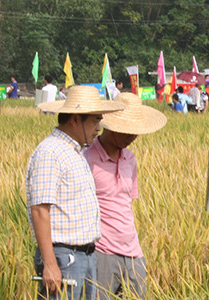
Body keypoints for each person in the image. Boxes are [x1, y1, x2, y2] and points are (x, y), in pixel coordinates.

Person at [27, 86, 126, 299]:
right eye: (94, 121)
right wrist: (50, 263)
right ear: (74, 120)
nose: (99, 128)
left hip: (85, 255)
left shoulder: (76, 152)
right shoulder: (50, 152)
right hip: (64, 256)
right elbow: (39, 210)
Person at [88, 92, 166, 299]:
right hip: (101, 251)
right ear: (111, 126)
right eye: (127, 132)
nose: (132, 137)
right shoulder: (87, 158)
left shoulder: (130, 159)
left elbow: (126, 204)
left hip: (133, 252)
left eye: (136, 132)